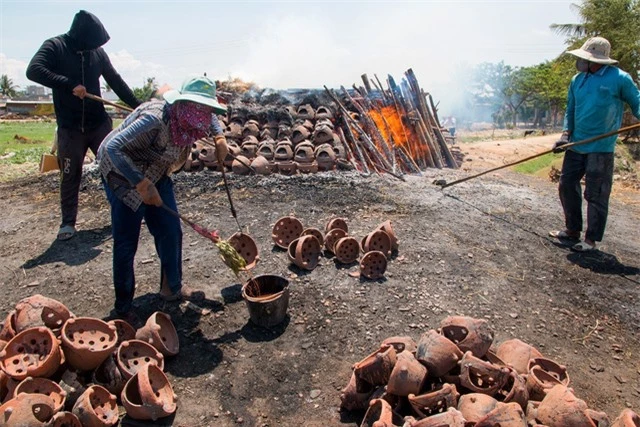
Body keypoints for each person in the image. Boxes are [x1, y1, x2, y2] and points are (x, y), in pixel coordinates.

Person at [98, 75, 228, 322]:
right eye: (199, 110)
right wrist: (141, 183)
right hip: (122, 172)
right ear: (183, 104)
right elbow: (113, 148)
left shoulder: (197, 114)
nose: (204, 120)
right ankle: (123, 308)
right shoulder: (154, 120)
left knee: (170, 231)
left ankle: (172, 288)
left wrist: (220, 137)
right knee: (127, 242)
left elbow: (210, 117)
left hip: (157, 170)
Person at [26, 10, 141, 241]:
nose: (94, 48)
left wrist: (139, 107)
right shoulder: (55, 46)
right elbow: (33, 70)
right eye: (91, 44)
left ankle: (129, 211)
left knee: (117, 167)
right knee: (70, 174)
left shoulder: (97, 53)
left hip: (98, 124)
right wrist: (69, 84)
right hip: (70, 128)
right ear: (80, 36)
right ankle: (68, 223)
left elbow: (116, 82)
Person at [550, 37, 640, 252]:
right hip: (576, 143)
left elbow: (637, 102)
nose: (581, 63)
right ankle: (572, 230)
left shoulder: (619, 79)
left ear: (598, 60)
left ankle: (590, 241)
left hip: (601, 146)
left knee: (596, 194)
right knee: (566, 185)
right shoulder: (577, 80)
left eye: (585, 59)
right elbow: (571, 109)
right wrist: (565, 135)